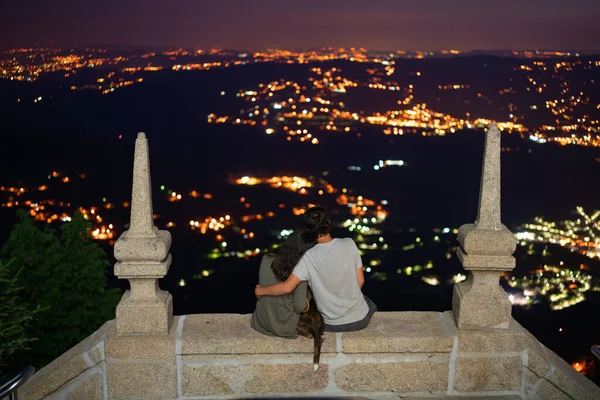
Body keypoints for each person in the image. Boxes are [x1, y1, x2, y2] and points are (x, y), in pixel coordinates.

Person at [255, 206, 377, 332]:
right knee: (369, 303)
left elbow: (287, 287)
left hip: (331, 324)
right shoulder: (349, 243)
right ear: (328, 223)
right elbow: (360, 281)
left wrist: (260, 291)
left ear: (308, 229)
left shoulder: (308, 257)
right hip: (360, 319)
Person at [251, 230, 317, 337]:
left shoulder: (267, 257)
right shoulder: (300, 270)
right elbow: (299, 307)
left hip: (260, 321)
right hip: (284, 326)